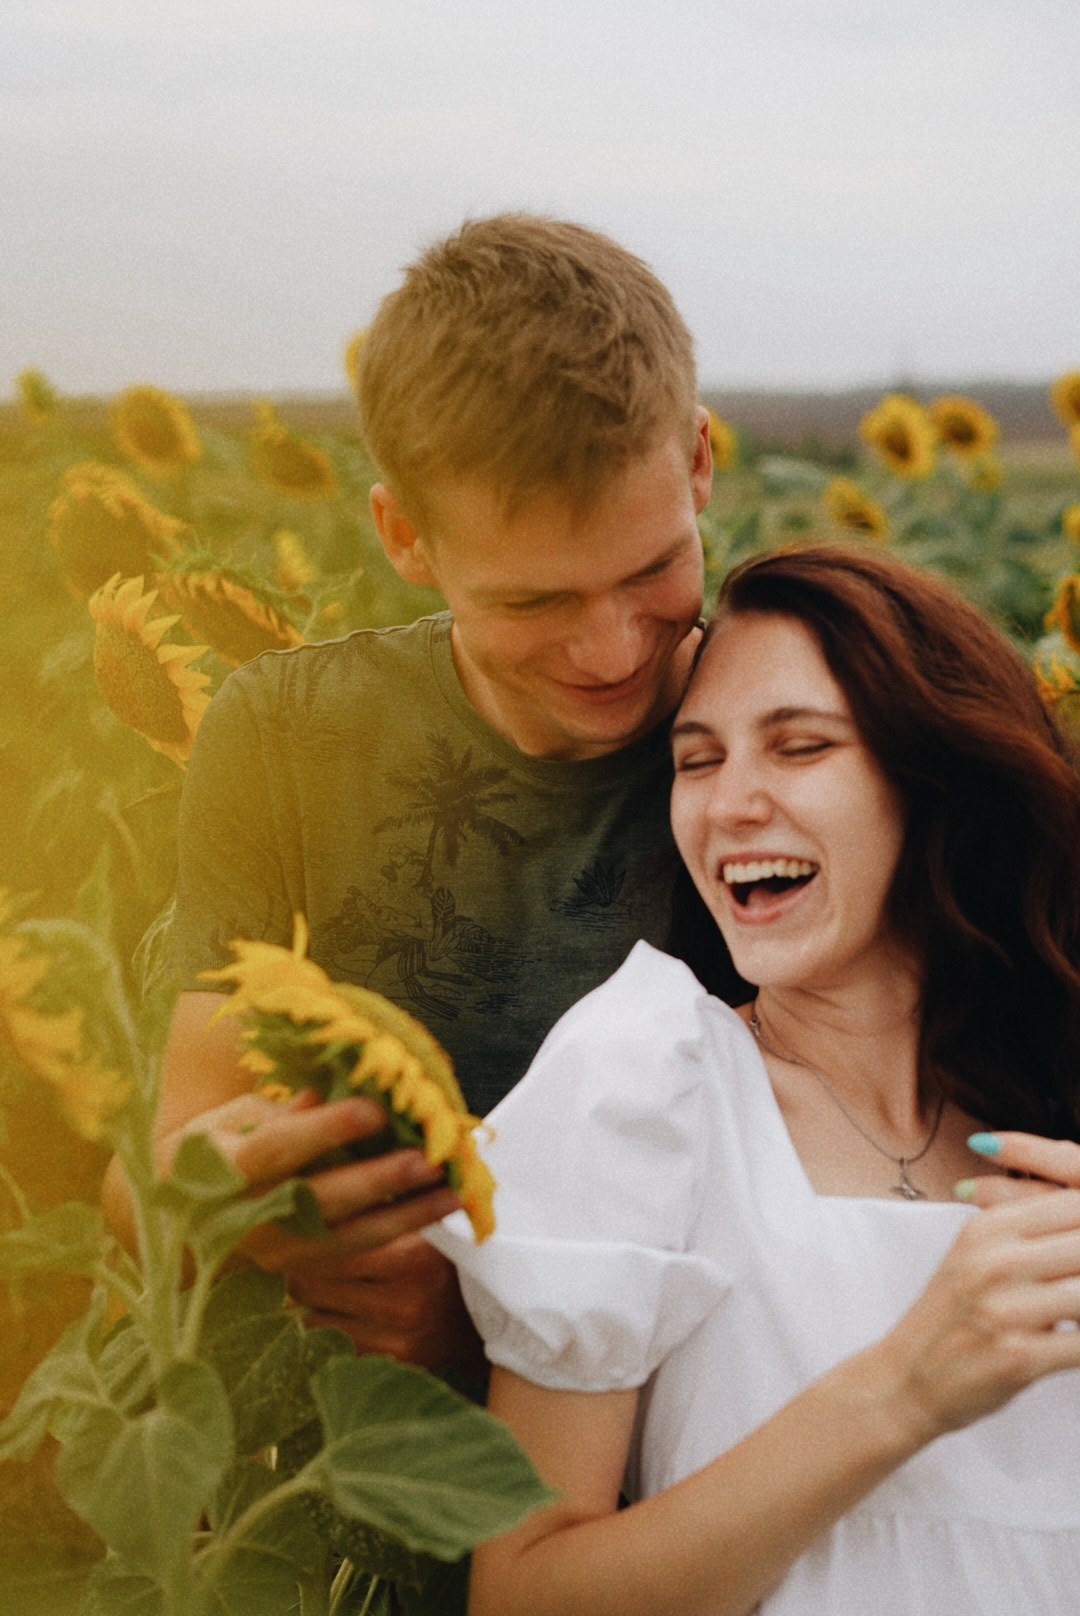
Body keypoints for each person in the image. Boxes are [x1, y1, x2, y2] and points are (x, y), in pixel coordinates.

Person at [103, 212, 735, 1371]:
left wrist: (496, 1329)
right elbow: (154, 1181)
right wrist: (234, 1193)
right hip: (350, 1449)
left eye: (654, 569)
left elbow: (866, 1182)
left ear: (698, 463)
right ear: (404, 534)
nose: (610, 648)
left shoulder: (796, 732)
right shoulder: (291, 738)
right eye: (533, 603)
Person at [428, 542, 1080, 1614]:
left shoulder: (1051, 1096)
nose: (731, 803)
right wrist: (902, 1388)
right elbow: (523, 1592)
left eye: (799, 745)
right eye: (696, 759)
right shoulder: (646, 1081)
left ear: (936, 784)